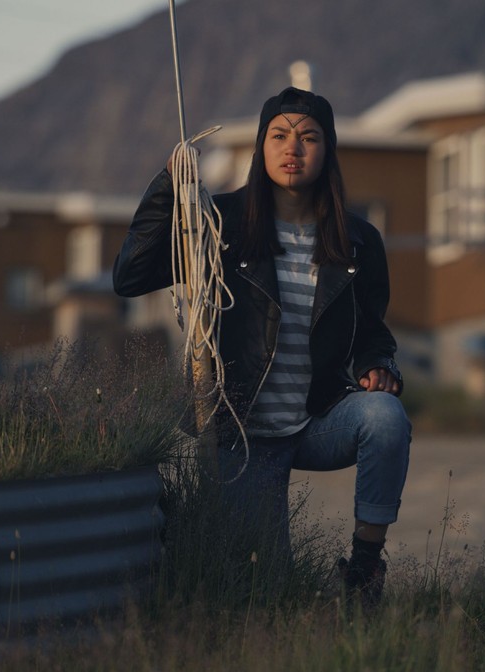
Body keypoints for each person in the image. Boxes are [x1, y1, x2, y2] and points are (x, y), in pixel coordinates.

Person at [113, 86, 410, 607]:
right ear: (260, 147)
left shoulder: (358, 240)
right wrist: (168, 188)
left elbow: (372, 331)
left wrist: (376, 365)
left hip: (320, 417)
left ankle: (363, 569)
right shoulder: (219, 224)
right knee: (266, 589)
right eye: (278, 135)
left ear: (328, 150)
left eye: (308, 137)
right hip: (243, 431)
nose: (292, 147)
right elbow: (130, 275)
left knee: (385, 417)